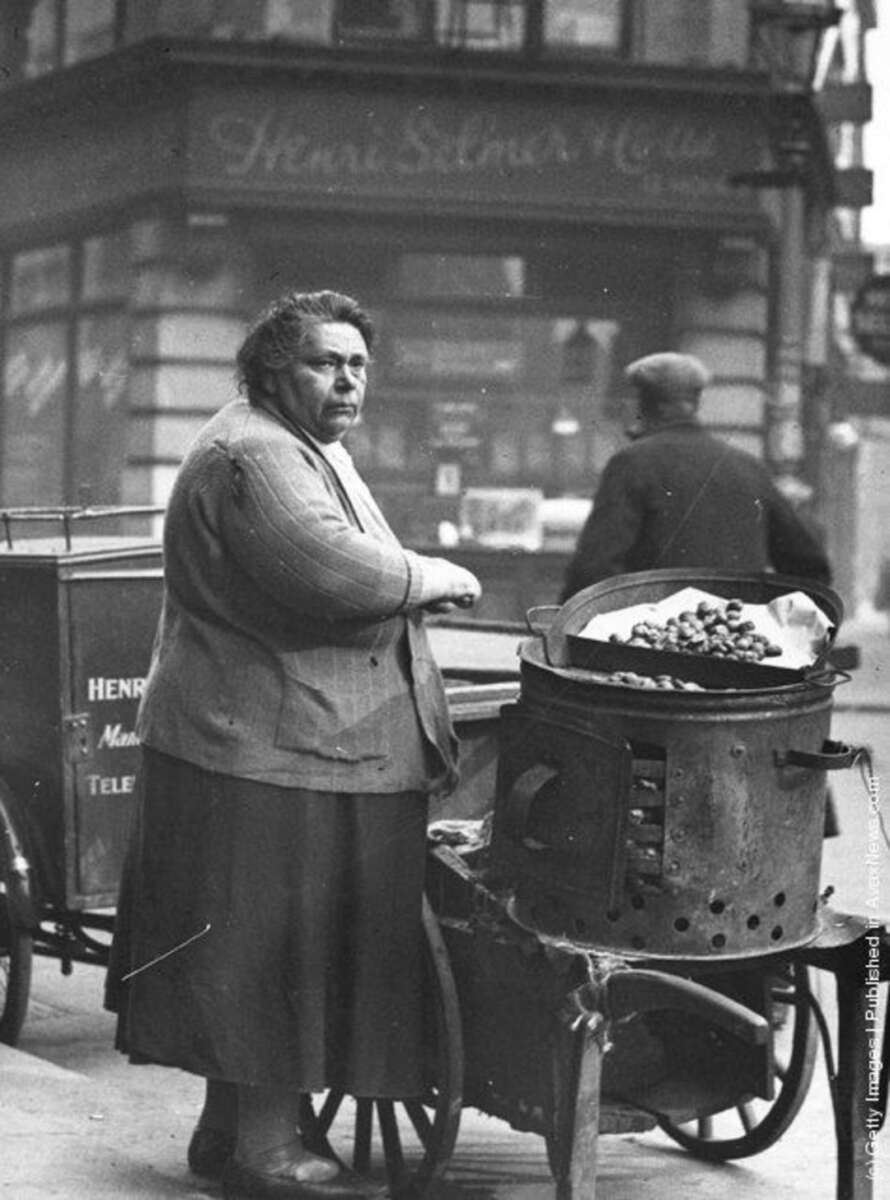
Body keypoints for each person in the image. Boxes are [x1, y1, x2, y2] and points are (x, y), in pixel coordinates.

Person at [105, 290, 482, 1200]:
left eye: (358, 363)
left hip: (288, 738)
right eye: (325, 362)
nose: (348, 379)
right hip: (276, 746)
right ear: (275, 369)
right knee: (280, 955)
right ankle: (269, 1153)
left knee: (256, 948)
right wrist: (440, 576)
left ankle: (232, 1128)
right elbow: (330, 568)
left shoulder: (300, 445)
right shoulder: (256, 453)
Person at [560, 351, 831, 602]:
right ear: (696, 403)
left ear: (655, 406)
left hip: (651, 643)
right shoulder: (748, 467)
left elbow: (593, 568)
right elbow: (809, 568)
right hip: (736, 641)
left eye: (638, 403)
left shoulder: (632, 463)